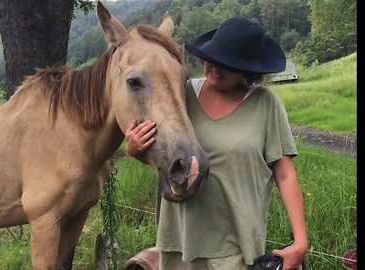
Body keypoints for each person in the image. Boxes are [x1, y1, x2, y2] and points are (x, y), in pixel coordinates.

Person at [124, 16, 307, 270]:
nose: (216, 69)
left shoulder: (266, 104)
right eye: (214, 58)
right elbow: (160, 152)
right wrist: (135, 149)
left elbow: (285, 173)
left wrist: (300, 241)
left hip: (236, 248)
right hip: (180, 241)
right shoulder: (181, 95)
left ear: (248, 69)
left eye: (228, 64)